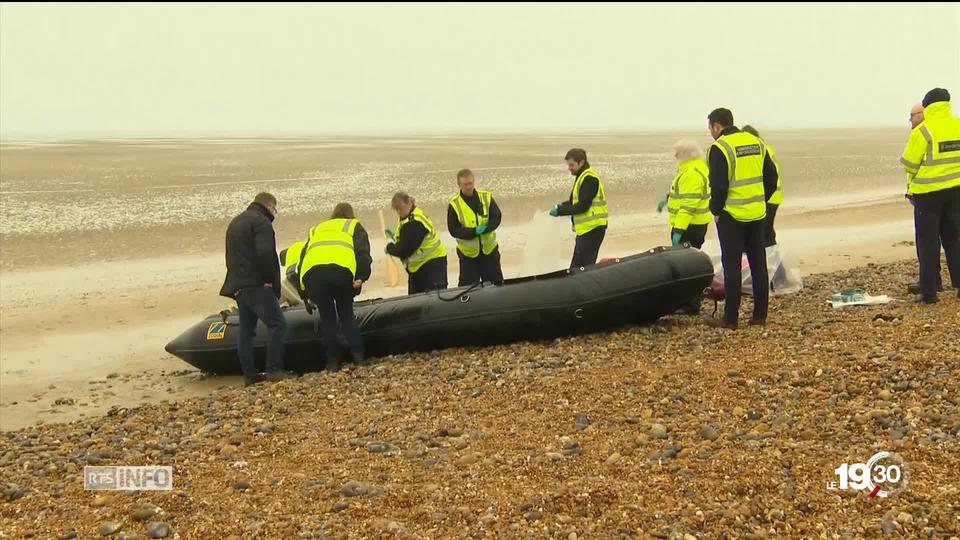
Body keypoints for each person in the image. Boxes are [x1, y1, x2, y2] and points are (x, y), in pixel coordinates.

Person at [704, 108, 779, 329]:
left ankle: (730, 318)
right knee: (758, 265)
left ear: (717, 126)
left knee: (732, 267)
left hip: (732, 217)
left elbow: (718, 186)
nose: (710, 132)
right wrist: (760, 201)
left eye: (710, 128)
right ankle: (759, 315)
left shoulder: (720, 148)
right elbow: (771, 178)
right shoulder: (756, 142)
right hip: (757, 214)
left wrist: (716, 210)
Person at [219, 192, 289, 386]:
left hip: (239, 285)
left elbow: (231, 255)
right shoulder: (261, 222)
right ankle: (274, 369)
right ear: (268, 206)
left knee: (246, 331)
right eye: (274, 209)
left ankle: (249, 374)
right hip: (257, 284)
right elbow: (265, 253)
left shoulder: (236, 223)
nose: (274, 212)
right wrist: (268, 280)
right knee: (278, 324)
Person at [900, 88, 960, 303]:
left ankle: (929, 292)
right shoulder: (958, 125)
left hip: (928, 193)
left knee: (927, 242)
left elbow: (908, 163)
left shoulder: (923, 130)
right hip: (955, 190)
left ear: (927, 106)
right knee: (954, 239)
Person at [297, 203, 372, 372]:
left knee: (327, 318)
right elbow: (362, 253)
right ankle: (358, 357)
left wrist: (303, 291)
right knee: (346, 314)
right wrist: (361, 276)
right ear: (350, 214)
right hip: (341, 272)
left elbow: (303, 258)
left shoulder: (317, 228)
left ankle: (332, 362)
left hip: (314, 275)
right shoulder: (353, 225)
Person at [549, 148, 609, 268]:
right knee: (578, 266)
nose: (569, 168)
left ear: (581, 162)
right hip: (586, 230)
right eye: (568, 164)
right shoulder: (582, 176)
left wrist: (560, 211)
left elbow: (582, 206)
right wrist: (560, 206)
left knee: (583, 267)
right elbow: (574, 201)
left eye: (571, 165)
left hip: (593, 229)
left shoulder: (589, 178)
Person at [447, 169, 504, 286]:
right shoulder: (454, 204)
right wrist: (473, 232)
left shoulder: (486, 196)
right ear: (459, 185)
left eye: (470, 183)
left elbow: (496, 216)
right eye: (465, 184)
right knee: (467, 289)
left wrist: (486, 227)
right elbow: (453, 230)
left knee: (496, 286)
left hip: (489, 252)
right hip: (469, 256)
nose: (468, 187)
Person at [385, 192, 448, 294]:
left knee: (432, 300)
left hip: (431, 266)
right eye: (396, 209)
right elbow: (404, 236)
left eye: (400, 208)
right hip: (418, 268)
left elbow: (404, 250)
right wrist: (394, 238)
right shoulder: (407, 217)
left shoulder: (415, 222)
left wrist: (389, 248)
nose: (399, 211)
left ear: (409, 203)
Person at [657, 139, 711, 248]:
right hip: (693, 225)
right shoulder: (694, 169)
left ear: (687, 154)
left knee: (686, 261)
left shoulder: (692, 174)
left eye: (678, 153)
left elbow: (688, 205)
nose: (675, 156)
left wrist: (679, 230)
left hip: (690, 227)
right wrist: (667, 198)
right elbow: (684, 193)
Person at [741, 125, 782, 247]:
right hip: (773, 196)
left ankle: (771, 258)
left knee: (763, 232)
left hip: (766, 196)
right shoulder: (766, 148)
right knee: (767, 231)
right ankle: (774, 257)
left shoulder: (758, 151)